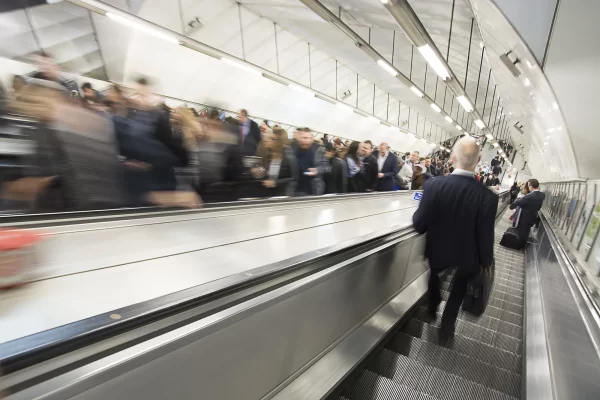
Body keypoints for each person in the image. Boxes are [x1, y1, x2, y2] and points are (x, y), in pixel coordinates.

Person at [413, 137, 498, 338]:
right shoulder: (488, 197)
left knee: (434, 277)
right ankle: (447, 326)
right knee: (459, 287)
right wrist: (486, 261)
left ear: (452, 158)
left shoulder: (433, 185)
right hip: (468, 256)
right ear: (478, 162)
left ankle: (432, 309)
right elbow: (486, 234)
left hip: (437, 250)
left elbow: (419, 224)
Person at [253, 129, 298, 197]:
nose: (267, 140)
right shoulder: (266, 153)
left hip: (282, 195)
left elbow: (294, 178)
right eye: (268, 138)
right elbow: (263, 170)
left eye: (272, 139)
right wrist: (258, 171)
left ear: (280, 142)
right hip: (266, 193)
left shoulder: (289, 157)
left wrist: (275, 183)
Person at [509, 179, 545, 249]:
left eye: (529, 186)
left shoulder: (530, 196)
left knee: (522, 232)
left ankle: (519, 245)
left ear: (531, 186)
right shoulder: (541, 195)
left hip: (525, 217)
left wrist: (514, 203)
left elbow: (518, 202)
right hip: (533, 216)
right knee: (526, 231)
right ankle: (522, 245)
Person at [291, 127, 327, 196]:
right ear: (298, 138)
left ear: (312, 139)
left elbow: (325, 166)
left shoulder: (319, 149)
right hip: (295, 189)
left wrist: (317, 170)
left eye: (307, 138)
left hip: (313, 189)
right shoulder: (292, 148)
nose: (304, 140)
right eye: (302, 138)